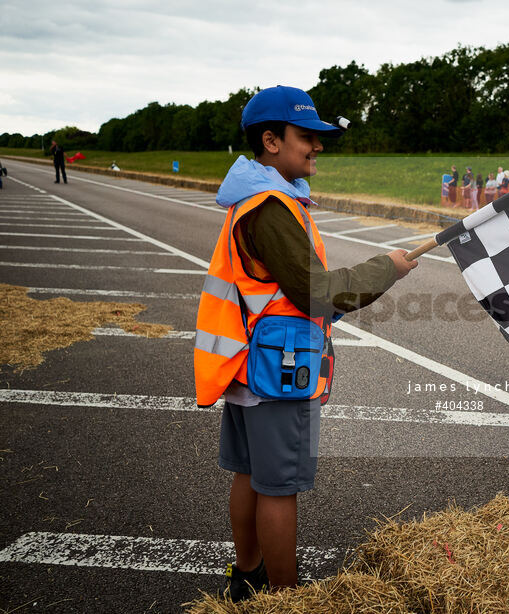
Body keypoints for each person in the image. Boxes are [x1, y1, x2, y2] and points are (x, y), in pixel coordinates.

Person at [194, 86, 417, 601]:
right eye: (306, 137)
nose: (317, 146)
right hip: (278, 369)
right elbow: (317, 292)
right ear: (270, 141)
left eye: (319, 138)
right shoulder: (271, 206)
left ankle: (248, 578)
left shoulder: (259, 195)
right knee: (278, 487)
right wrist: (387, 268)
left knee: (250, 475)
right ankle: (286, 598)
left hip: (250, 363)